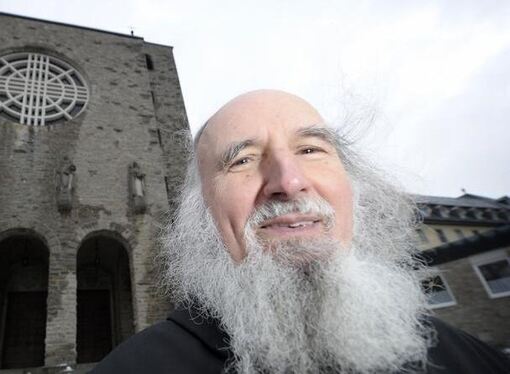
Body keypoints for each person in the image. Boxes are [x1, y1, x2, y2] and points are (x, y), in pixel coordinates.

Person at [92, 90, 510, 373]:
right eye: (242, 160)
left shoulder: (469, 359)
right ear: (199, 214)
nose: (288, 181)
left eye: (310, 150)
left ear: (355, 189)